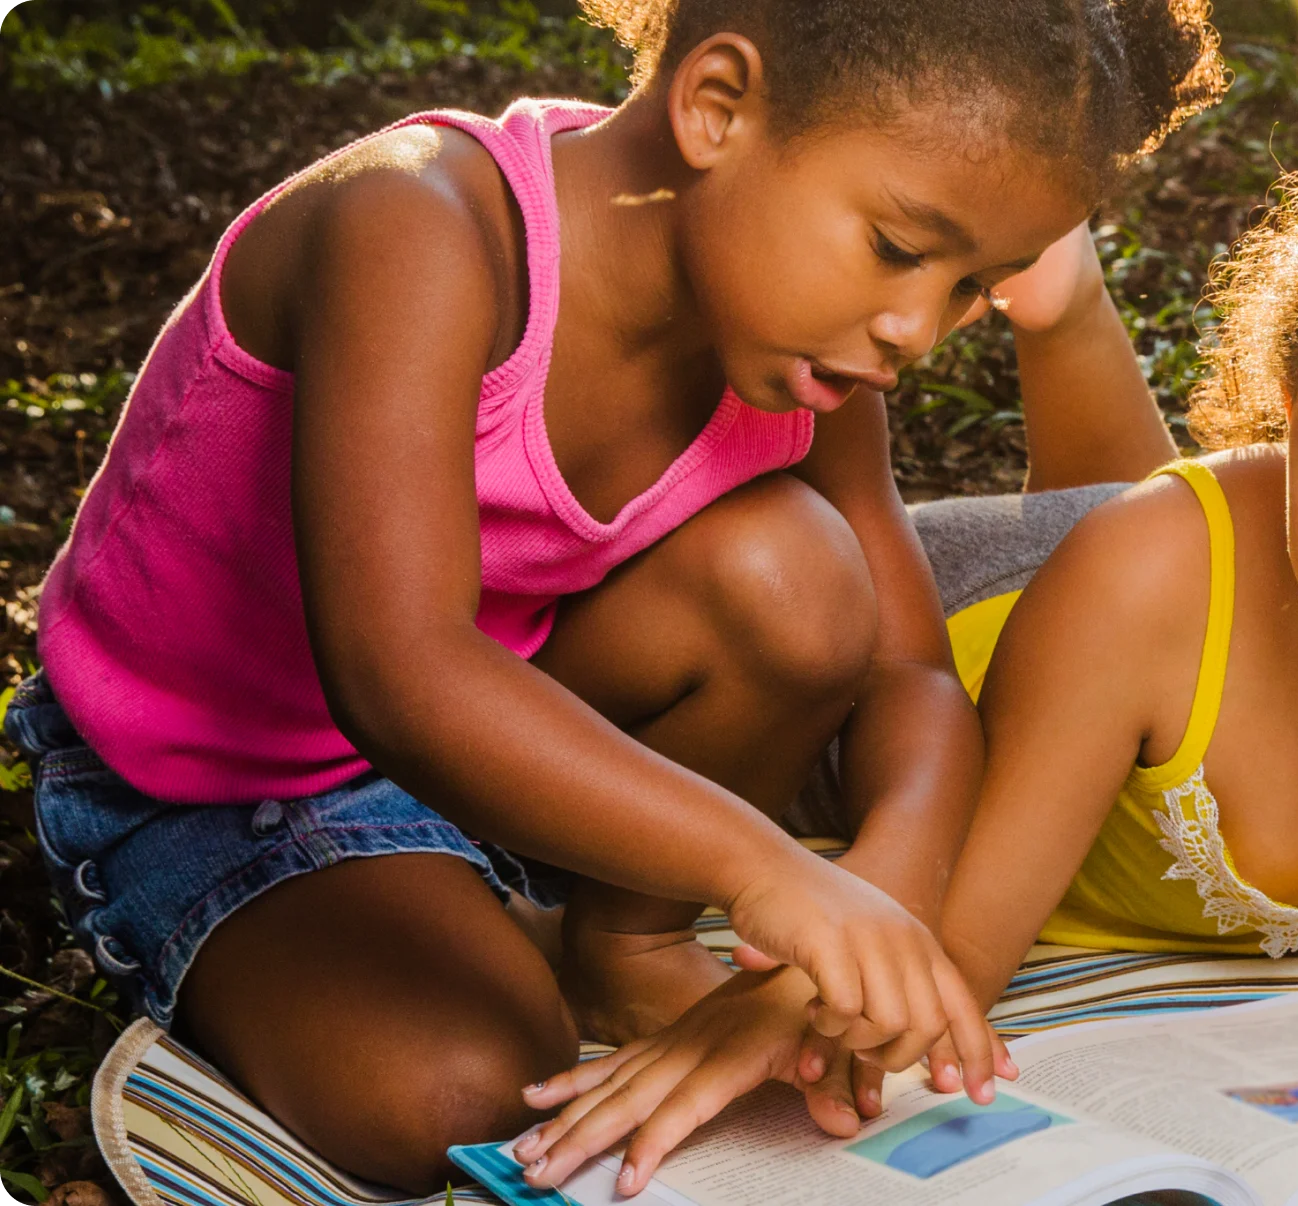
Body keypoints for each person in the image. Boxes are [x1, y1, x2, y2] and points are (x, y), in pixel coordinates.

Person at [0, 0, 1221, 1190]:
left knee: (796, 577)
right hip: (209, 775)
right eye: (901, 248)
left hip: (501, 725)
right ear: (717, 104)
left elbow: (905, 671)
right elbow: (401, 671)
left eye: (973, 286)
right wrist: (770, 873)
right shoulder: (417, 223)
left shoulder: (811, 345)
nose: (917, 327)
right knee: (456, 1097)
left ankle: (620, 941)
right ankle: (478, 925)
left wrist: (879, 903)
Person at [507, 85, 1298, 1189]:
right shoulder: (1148, 574)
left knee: (1156, 533)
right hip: (939, 637)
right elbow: (959, 938)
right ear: (1293, 400)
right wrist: (783, 1011)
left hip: (1163, 590)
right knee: (1053, 545)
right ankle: (1067, 314)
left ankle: (1073, 315)